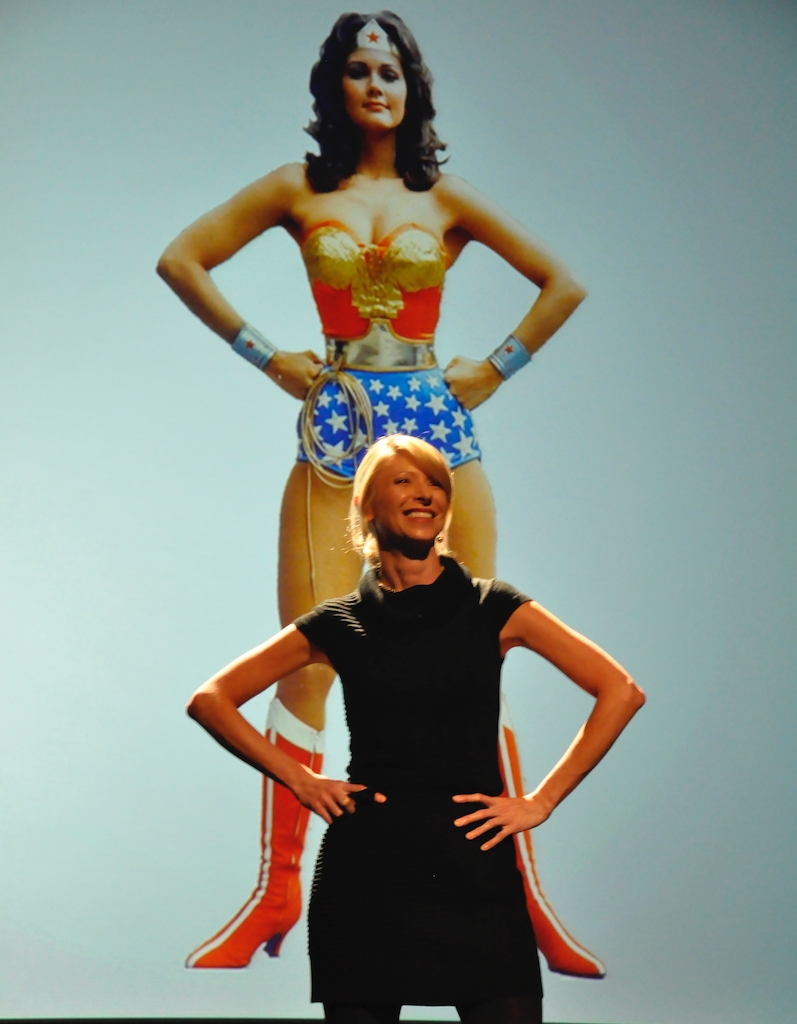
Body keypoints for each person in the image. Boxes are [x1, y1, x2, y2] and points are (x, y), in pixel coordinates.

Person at [158, 11, 595, 973]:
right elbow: (179, 259)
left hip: (440, 434)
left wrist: (497, 367)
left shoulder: (446, 199)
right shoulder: (295, 189)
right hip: (337, 432)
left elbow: (562, 283)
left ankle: (524, 894)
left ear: (411, 88)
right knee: (308, 661)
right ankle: (274, 890)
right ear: (335, 86)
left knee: (478, 653)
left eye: (389, 71)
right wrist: (265, 355)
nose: (374, 85)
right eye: (358, 70)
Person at [186, 436, 645, 1024]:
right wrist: (300, 780)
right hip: (367, 875)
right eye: (404, 481)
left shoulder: (493, 607)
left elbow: (620, 691)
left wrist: (542, 800)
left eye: (435, 484)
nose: (425, 493)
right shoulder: (340, 621)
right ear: (366, 506)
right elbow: (212, 699)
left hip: (476, 870)